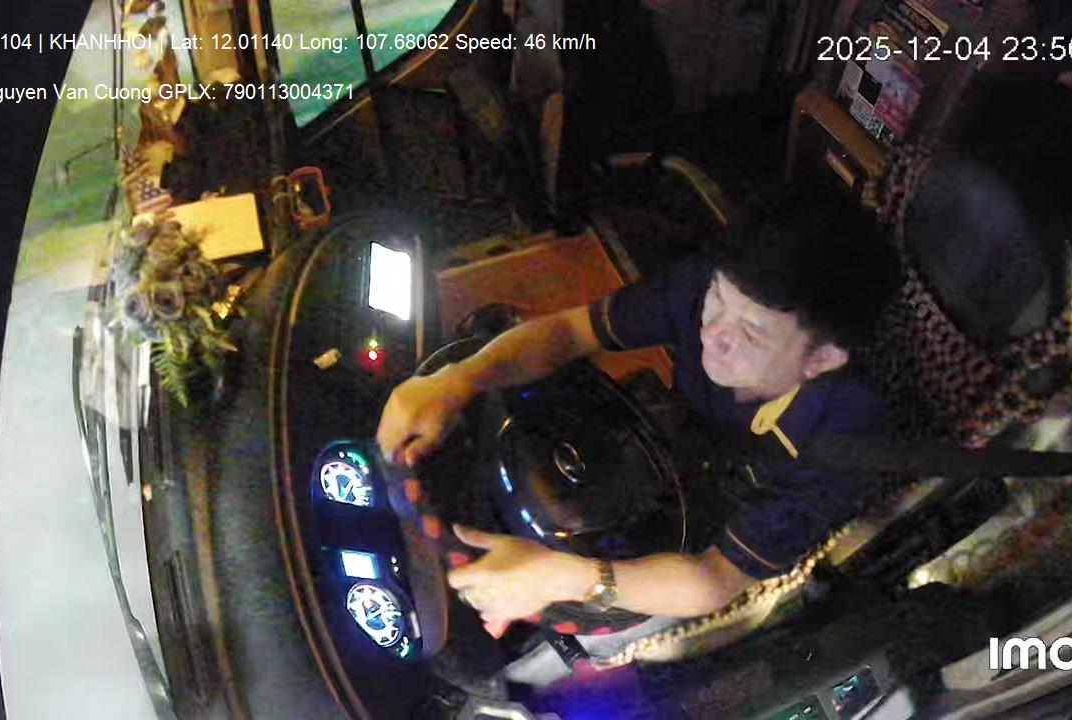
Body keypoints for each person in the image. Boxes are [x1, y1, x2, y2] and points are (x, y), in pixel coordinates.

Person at [375, 184, 898, 638]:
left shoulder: (843, 443)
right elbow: (572, 331)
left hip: (745, 512)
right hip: (679, 446)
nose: (713, 333)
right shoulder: (713, 288)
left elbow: (716, 579)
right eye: (718, 300)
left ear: (822, 358)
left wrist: (566, 578)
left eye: (750, 333)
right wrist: (458, 378)